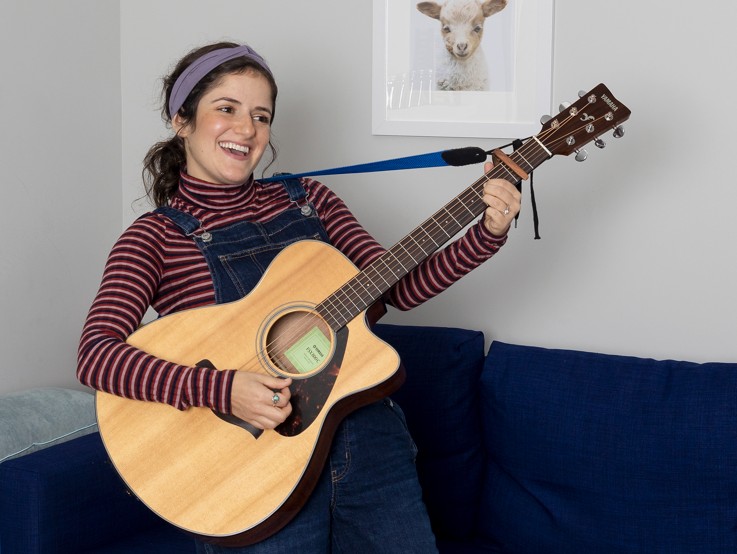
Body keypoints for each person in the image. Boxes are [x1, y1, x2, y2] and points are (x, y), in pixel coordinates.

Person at [77, 41, 521, 553]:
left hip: (369, 449)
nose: (246, 129)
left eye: (261, 116)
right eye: (226, 108)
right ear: (182, 120)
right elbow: (96, 356)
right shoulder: (152, 238)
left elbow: (397, 286)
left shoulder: (311, 200)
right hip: (252, 473)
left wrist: (487, 232)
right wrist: (221, 389)